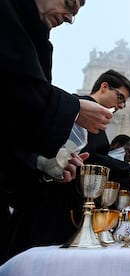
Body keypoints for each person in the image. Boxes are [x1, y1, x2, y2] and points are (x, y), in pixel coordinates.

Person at [1, 0, 113, 265]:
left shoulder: (34, 36)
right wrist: (73, 109)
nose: (69, 18)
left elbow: (14, 121)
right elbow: (13, 89)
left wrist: (44, 162)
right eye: (69, 4)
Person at [4, 70, 130, 263]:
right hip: (51, 207)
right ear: (104, 86)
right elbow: (94, 160)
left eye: (124, 102)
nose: (121, 106)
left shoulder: (86, 114)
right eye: (120, 98)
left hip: (59, 204)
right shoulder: (78, 111)